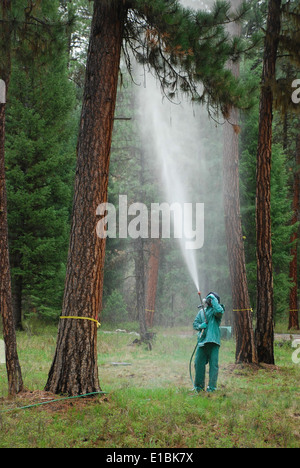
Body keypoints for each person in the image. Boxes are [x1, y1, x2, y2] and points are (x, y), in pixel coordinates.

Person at [193, 292, 225, 393]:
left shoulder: (218, 310)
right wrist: (200, 326)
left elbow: (219, 311)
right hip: (202, 342)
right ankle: (199, 387)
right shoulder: (202, 312)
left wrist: (213, 299)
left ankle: (212, 388)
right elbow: (195, 323)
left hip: (214, 342)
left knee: (213, 366)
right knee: (198, 363)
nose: (209, 300)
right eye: (208, 298)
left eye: (211, 299)